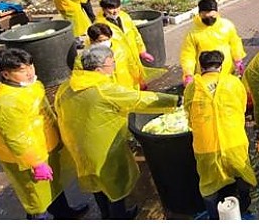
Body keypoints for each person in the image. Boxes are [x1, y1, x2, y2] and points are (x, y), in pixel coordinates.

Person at [55, 45, 180, 219]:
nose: (114, 66)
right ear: (98, 69)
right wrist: (175, 100)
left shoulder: (67, 86)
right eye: (111, 63)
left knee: (96, 184)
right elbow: (138, 99)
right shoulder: (103, 89)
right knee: (115, 185)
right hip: (104, 147)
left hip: (78, 146)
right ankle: (119, 217)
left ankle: (105, 215)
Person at [0, 49, 88, 220]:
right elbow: (17, 140)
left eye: (30, 66)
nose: (29, 72)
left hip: (46, 146)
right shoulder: (6, 104)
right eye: (22, 70)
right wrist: (36, 163)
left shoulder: (32, 85)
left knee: (54, 186)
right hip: (26, 159)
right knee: (36, 198)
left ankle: (63, 213)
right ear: (6, 74)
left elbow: (47, 113)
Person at [184, 51, 257, 220]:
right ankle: (243, 208)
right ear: (221, 66)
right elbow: (242, 106)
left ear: (201, 67)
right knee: (242, 172)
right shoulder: (233, 82)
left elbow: (189, 114)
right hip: (234, 141)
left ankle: (213, 216)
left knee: (209, 183)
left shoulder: (192, 88)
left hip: (206, 146)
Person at [95, 0, 159, 87]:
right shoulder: (99, 27)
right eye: (111, 9)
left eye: (117, 7)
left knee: (137, 78)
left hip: (132, 56)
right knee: (125, 85)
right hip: (118, 62)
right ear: (104, 9)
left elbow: (135, 34)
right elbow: (95, 48)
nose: (115, 11)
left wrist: (142, 51)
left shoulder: (124, 17)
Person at [180, 0, 246, 86]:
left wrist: (238, 60)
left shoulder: (227, 26)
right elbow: (188, 55)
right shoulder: (193, 33)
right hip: (205, 75)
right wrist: (188, 73)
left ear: (217, 13)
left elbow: (235, 43)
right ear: (200, 14)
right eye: (205, 17)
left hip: (227, 71)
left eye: (212, 16)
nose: (209, 19)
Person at [79, 23, 160, 90]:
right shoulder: (86, 56)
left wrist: (139, 80)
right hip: (106, 91)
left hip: (126, 86)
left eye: (106, 39)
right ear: (91, 40)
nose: (105, 42)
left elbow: (131, 63)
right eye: (100, 41)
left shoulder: (120, 46)